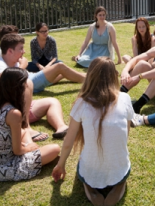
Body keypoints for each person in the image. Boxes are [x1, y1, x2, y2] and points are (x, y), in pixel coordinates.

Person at [0, 33, 77, 141]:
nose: (24, 52)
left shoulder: (15, 64)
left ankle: (61, 127)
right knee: (27, 83)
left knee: (52, 102)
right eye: (21, 49)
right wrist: (23, 66)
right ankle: (25, 127)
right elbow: (10, 81)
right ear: (10, 51)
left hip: (15, 106)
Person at [52, 57, 134, 206]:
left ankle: (91, 189)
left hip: (91, 167)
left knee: (86, 171)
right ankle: (118, 185)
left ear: (90, 76)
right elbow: (125, 135)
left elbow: (68, 142)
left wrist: (60, 164)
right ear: (113, 76)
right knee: (120, 174)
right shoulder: (125, 98)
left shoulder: (81, 103)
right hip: (118, 164)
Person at [0, 67, 60, 181]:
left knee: (25, 131)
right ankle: (31, 149)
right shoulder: (13, 113)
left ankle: (29, 145)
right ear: (17, 87)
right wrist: (28, 148)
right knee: (55, 149)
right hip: (2, 169)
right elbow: (17, 151)